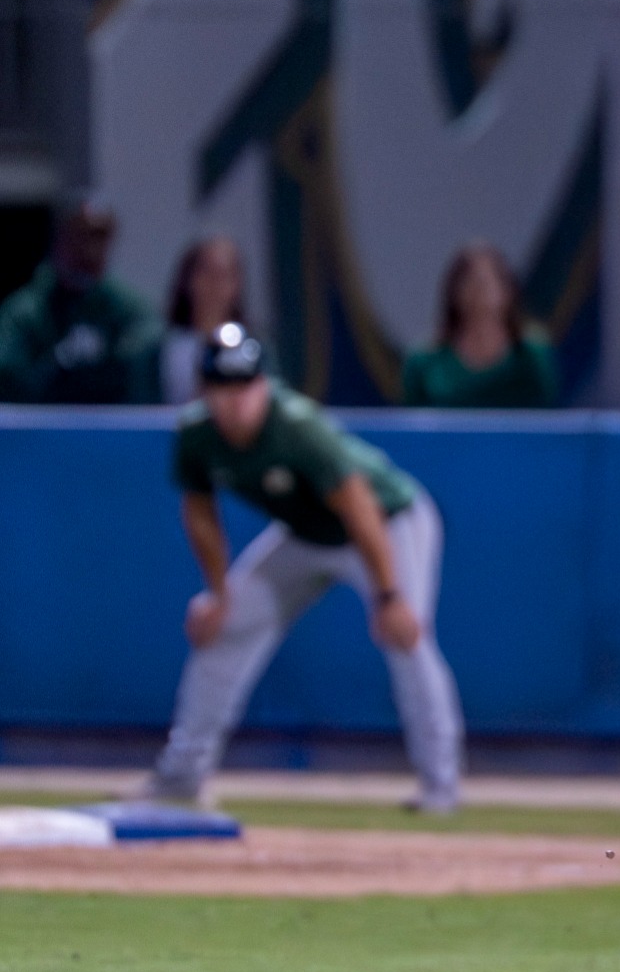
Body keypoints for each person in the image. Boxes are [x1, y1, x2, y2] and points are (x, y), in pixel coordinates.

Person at [143, 325, 464, 814]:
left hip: (387, 522)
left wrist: (389, 596)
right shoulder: (195, 433)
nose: (234, 403)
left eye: (244, 388)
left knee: (406, 637)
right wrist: (218, 593)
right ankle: (182, 776)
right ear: (205, 391)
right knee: (224, 626)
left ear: (264, 385)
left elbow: (358, 504)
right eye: (221, 390)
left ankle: (441, 789)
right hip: (307, 534)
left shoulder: (294, 423)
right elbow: (201, 514)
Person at [0, 191, 160, 403]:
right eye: (81, 235)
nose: (91, 249)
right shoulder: (25, 310)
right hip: (41, 430)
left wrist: (105, 362)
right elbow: (8, 379)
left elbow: (145, 362)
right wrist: (56, 363)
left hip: (110, 431)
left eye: (100, 237)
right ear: (59, 239)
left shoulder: (128, 307)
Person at [401, 241, 561, 409]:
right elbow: (408, 424)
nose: (479, 290)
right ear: (453, 292)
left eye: (487, 281)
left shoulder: (531, 355)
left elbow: (548, 418)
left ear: (507, 291)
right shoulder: (424, 362)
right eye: (468, 281)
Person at [159, 235, 246, 405]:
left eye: (224, 275)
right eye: (206, 272)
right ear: (188, 280)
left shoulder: (254, 349)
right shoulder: (156, 350)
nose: (215, 284)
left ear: (237, 285)